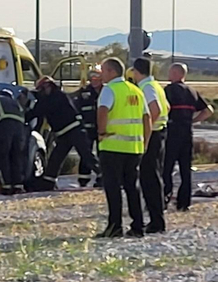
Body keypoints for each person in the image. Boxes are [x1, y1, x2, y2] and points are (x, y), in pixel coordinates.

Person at [95, 57, 149, 238]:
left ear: (112, 72)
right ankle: (138, 225)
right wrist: (145, 142)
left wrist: (101, 132)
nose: (101, 74)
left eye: (103, 70)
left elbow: (102, 110)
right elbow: (147, 118)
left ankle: (115, 226)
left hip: (112, 146)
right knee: (132, 187)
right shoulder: (136, 90)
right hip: (134, 147)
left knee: (113, 188)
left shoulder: (109, 90)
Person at [163, 63, 211, 212]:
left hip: (172, 133)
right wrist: (193, 120)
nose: (168, 75)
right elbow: (208, 110)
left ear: (177, 73)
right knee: (185, 170)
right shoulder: (192, 91)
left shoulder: (169, 90)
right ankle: (184, 203)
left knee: (167, 168)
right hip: (187, 134)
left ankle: (164, 198)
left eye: (170, 72)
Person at [128, 57, 168, 234]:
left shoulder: (147, 87)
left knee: (149, 180)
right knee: (153, 178)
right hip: (160, 134)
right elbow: (167, 106)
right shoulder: (156, 85)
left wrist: (147, 130)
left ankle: (156, 221)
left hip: (152, 137)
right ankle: (156, 219)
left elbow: (156, 109)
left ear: (136, 71)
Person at [39, 75, 97, 188]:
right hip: (66, 133)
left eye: (41, 89)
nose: (40, 92)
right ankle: (48, 180)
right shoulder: (56, 96)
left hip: (74, 131)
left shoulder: (55, 97)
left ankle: (103, 176)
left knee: (87, 156)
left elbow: (39, 110)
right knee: (56, 157)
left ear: (47, 87)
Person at [0, 89, 30, 194]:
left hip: (5, 127)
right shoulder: (15, 103)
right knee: (16, 156)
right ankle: (18, 186)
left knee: (3, 155)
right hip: (20, 129)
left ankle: (6, 186)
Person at [72, 67, 103, 186]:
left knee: (103, 154)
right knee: (86, 154)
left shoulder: (107, 90)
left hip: (101, 128)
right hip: (88, 129)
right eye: (93, 78)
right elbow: (77, 109)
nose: (94, 80)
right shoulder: (84, 92)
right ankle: (83, 179)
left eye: (97, 78)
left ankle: (101, 178)